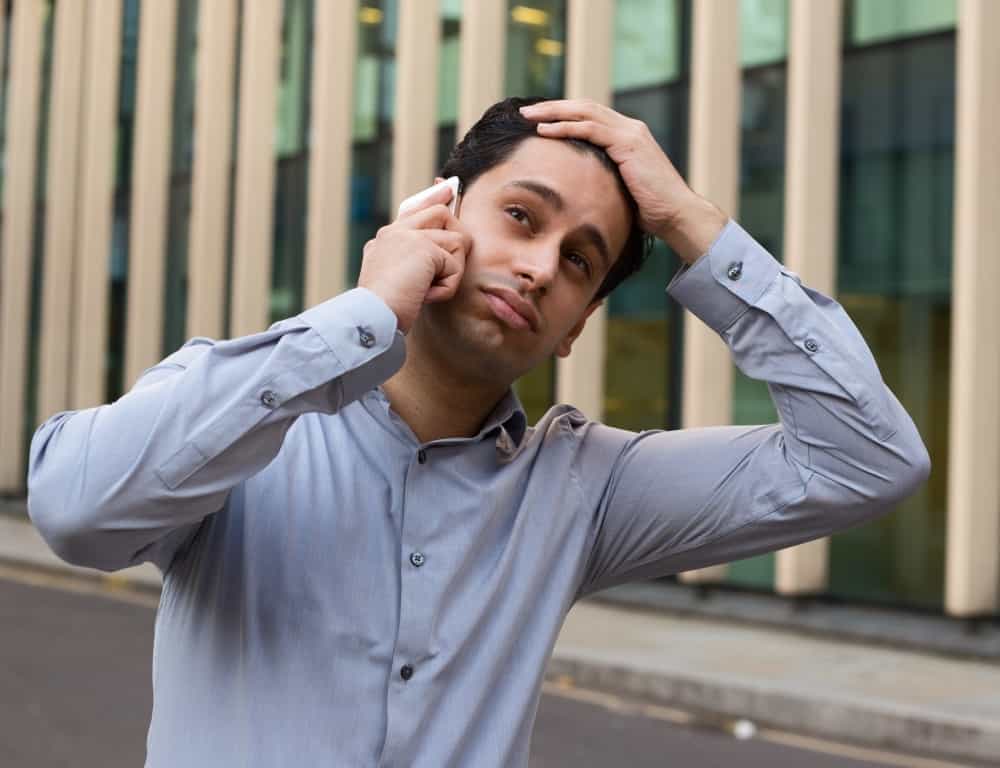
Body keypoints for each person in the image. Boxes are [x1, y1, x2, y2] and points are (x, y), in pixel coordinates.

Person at [27, 97, 930, 767]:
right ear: (438, 211)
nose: (539, 268)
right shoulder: (247, 413)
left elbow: (869, 459)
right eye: (521, 216)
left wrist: (691, 223)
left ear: (577, 326)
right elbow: (72, 511)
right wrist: (363, 314)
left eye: (578, 261)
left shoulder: (583, 490)